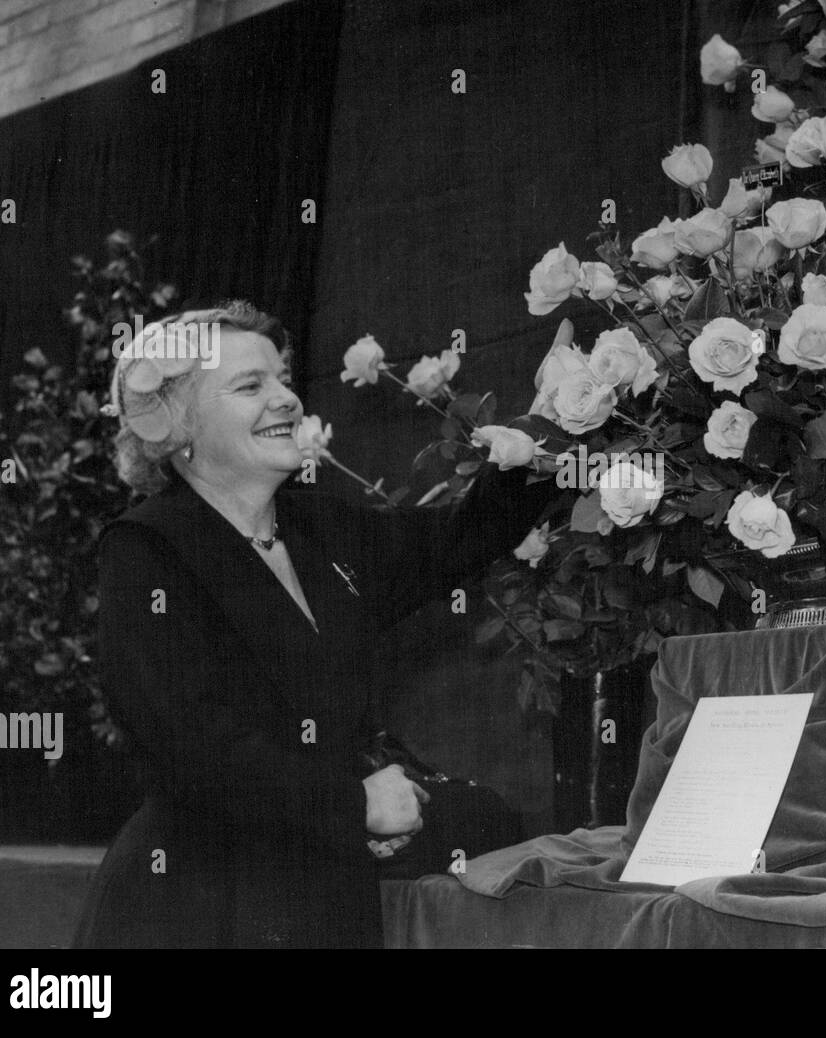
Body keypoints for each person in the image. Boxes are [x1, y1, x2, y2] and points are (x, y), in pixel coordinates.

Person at [72, 302, 556, 948]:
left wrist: (538, 434)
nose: (289, 401)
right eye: (251, 386)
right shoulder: (146, 549)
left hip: (324, 902)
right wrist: (354, 806)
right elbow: (193, 747)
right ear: (178, 425)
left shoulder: (320, 527)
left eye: (282, 379)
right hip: (197, 912)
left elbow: (453, 543)